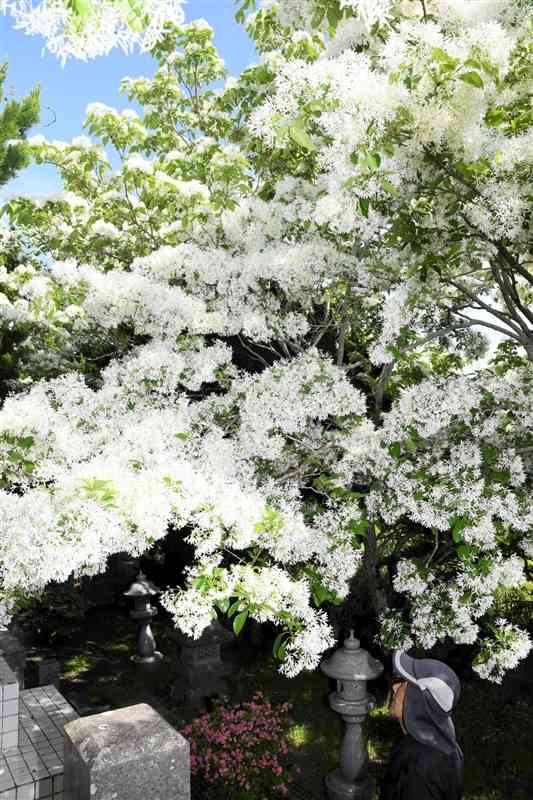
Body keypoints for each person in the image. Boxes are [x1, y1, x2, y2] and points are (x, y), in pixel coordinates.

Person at [379, 649, 464, 800]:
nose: (394, 687)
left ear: (416, 701)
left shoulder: (421, 765)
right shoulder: (441, 743)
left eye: (403, 685)